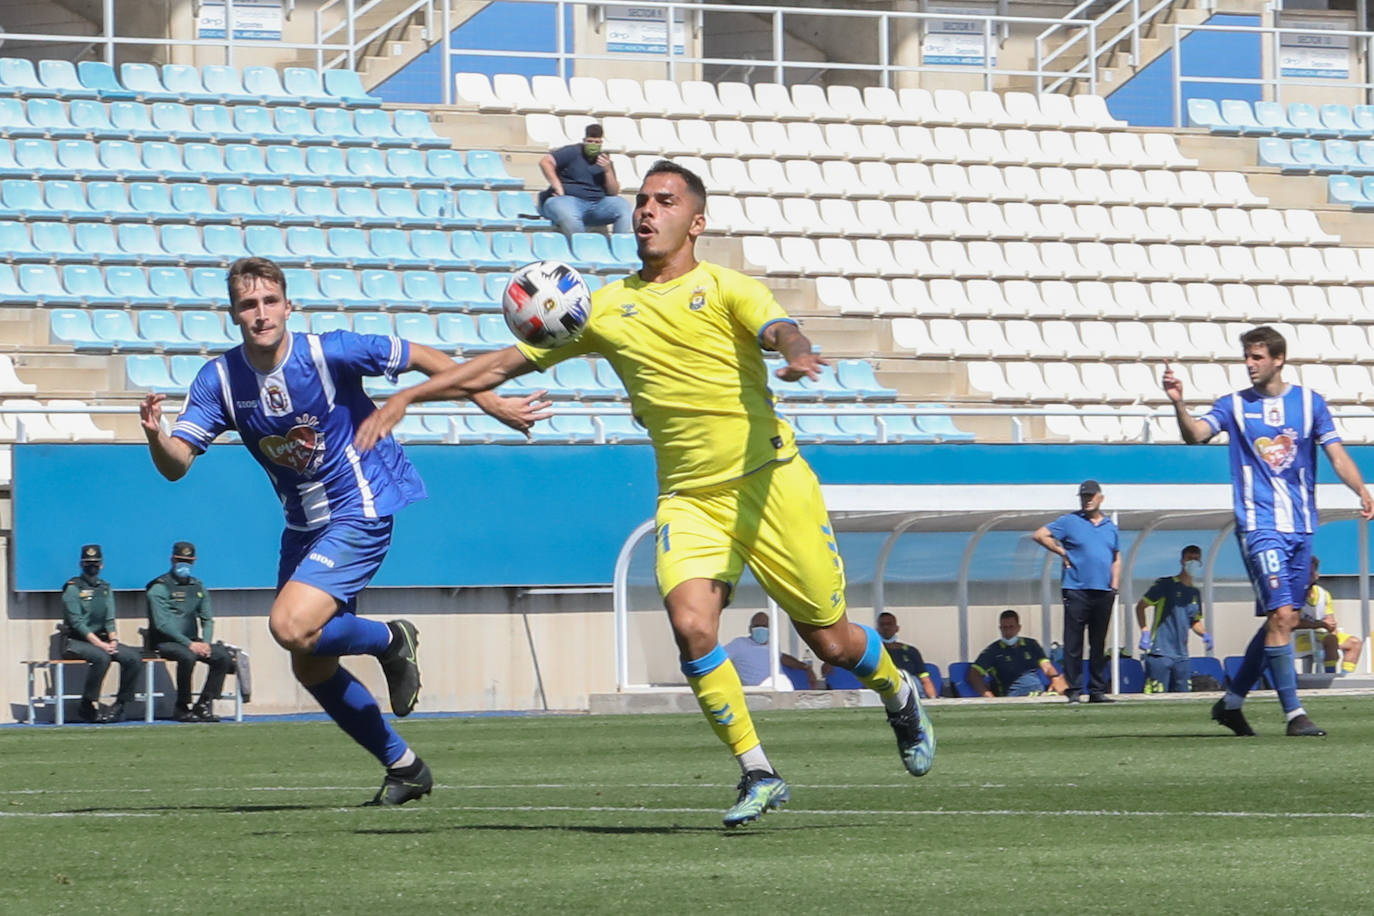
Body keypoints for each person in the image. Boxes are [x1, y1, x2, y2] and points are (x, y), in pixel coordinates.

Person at [354, 159, 935, 827]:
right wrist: (410, 394)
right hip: (690, 499)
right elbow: (497, 364)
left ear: (697, 221)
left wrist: (793, 353)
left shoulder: (726, 289)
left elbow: (779, 329)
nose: (647, 211)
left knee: (830, 643)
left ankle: (898, 694)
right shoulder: (603, 308)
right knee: (691, 627)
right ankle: (758, 770)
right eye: (643, 201)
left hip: (771, 485)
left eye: (665, 201)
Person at [139, 256, 548, 803]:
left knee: (288, 625)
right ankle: (404, 767)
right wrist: (155, 436)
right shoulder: (219, 380)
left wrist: (493, 404)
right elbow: (177, 464)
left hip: (362, 505)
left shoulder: (327, 351)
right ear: (233, 314)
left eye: (268, 302)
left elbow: (421, 356)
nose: (260, 314)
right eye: (247, 305)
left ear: (288, 305)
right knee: (309, 662)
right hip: (302, 528)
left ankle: (388, 639)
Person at [1164, 325, 1374, 737]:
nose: (1249, 364)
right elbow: (1196, 435)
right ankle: (1295, 714)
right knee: (1281, 614)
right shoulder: (1234, 406)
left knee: (1286, 620)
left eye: (1257, 357)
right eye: (1247, 357)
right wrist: (1179, 404)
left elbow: (1336, 454)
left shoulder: (1310, 404)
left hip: (1300, 527)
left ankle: (1232, 703)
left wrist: (1363, 491)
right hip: (1260, 526)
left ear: (1278, 359)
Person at [1031, 480, 1121, 703]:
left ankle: (1097, 690)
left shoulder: (1110, 526)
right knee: (1073, 642)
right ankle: (1074, 689)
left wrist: (1114, 585)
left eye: (1091, 496)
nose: (1087, 500)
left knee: (1098, 642)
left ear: (1100, 497)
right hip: (1076, 589)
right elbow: (1040, 534)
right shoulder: (1070, 521)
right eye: (1084, 496)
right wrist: (1061, 552)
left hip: (1103, 590)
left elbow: (1116, 557)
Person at [146, 541, 230, 722]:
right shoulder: (159, 588)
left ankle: (204, 703)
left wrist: (206, 643)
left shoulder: (197, 587)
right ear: (172, 560)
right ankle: (182, 706)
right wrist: (190, 644)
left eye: (188, 561)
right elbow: (163, 625)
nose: (184, 565)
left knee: (222, 656)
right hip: (167, 642)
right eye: (180, 560)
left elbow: (207, 618)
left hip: (194, 641)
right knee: (187, 656)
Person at [61, 544, 143, 723]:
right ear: (81, 565)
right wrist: (101, 645)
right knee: (101, 658)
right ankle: (87, 704)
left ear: (102, 565)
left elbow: (109, 619)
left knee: (134, 658)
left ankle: (120, 704)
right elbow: (77, 622)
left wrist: (113, 640)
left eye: (96, 563)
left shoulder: (105, 588)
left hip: (104, 640)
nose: (93, 567)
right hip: (77, 641)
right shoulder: (73, 588)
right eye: (88, 563)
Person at [1136, 545, 1214, 693]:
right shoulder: (1165, 584)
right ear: (1182, 561)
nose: (1192, 562)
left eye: (1196, 559)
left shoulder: (1194, 593)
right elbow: (1141, 606)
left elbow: (1194, 621)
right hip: (1160, 652)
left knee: (1183, 696)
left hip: (1182, 656)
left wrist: (1205, 634)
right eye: (1189, 558)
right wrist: (1144, 631)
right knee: (1156, 697)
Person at [537, 123, 633, 236]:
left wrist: (608, 171)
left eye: (596, 142)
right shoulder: (572, 152)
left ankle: (621, 247)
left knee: (623, 205)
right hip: (568, 200)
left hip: (597, 204)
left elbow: (613, 192)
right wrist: (558, 186)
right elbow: (545, 162)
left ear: (601, 143)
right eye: (590, 141)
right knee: (569, 215)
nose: (593, 145)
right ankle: (581, 246)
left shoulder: (604, 160)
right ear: (584, 140)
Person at [967, 610, 1070, 698]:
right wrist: (988, 696)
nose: (1007, 631)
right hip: (1014, 694)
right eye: (1004, 628)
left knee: (1062, 682)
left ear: (1018, 627)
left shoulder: (1031, 644)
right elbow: (974, 673)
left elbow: (1046, 666)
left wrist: (1055, 678)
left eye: (1011, 627)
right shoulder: (993, 651)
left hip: (1037, 689)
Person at [1295, 556, 1363, 675]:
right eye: (1307, 573)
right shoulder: (1293, 595)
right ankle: (1329, 676)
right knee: (1331, 640)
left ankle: (1343, 676)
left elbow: (1329, 618)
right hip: (1300, 637)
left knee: (1355, 642)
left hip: (1322, 635)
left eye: (1313, 572)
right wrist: (1320, 625)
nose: (1310, 576)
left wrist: (1332, 627)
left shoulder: (1323, 594)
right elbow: (1292, 622)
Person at [722, 612, 821, 688]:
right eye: (757, 626)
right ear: (750, 629)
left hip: (780, 684)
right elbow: (720, 659)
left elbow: (782, 658)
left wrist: (806, 668)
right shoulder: (739, 644)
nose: (760, 629)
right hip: (758, 690)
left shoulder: (773, 644)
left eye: (764, 626)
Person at [874, 611, 937, 699]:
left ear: (896, 628)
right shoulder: (873, 651)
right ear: (878, 629)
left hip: (912, 692)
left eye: (889, 624)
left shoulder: (911, 651)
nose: (886, 627)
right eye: (882, 625)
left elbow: (925, 680)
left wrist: (933, 700)